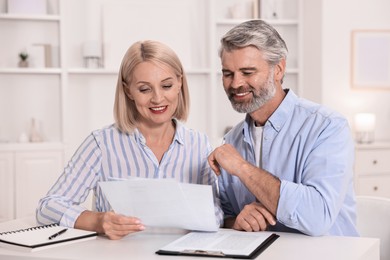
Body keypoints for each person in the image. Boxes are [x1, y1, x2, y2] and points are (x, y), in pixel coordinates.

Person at [36, 40, 224, 240]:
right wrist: (98, 221)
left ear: (179, 83)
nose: (158, 98)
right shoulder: (102, 143)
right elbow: (47, 207)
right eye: (145, 89)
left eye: (166, 85)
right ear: (128, 91)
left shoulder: (198, 144)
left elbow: (216, 212)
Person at [207, 20, 358, 237]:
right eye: (228, 73)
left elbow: (318, 216)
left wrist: (242, 167)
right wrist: (237, 222)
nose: (235, 83)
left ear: (278, 70)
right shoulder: (232, 140)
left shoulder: (327, 127)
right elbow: (225, 215)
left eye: (247, 72)